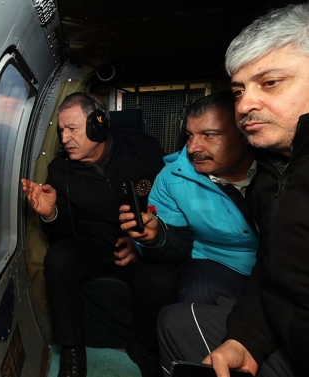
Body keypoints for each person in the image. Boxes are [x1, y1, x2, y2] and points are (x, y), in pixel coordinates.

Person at [157, 3, 309, 376]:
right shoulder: (278, 173)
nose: (247, 104)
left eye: (270, 82)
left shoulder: (265, 171)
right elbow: (276, 270)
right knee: (177, 316)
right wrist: (247, 340)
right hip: (230, 273)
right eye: (239, 90)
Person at [22, 92, 178, 377]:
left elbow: (171, 206)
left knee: (164, 280)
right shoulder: (59, 170)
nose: (65, 138)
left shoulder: (144, 150)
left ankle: (143, 346)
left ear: (98, 124)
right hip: (90, 246)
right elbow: (63, 230)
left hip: (136, 247)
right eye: (61, 131)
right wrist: (50, 214)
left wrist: (145, 243)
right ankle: (71, 354)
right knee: (58, 259)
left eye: (72, 129)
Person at [119, 91, 258, 305]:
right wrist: (156, 237)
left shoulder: (280, 170)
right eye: (190, 135)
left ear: (243, 135)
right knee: (196, 298)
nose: (193, 147)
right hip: (215, 262)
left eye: (209, 135)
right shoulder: (171, 178)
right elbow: (179, 245)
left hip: (280, 262)